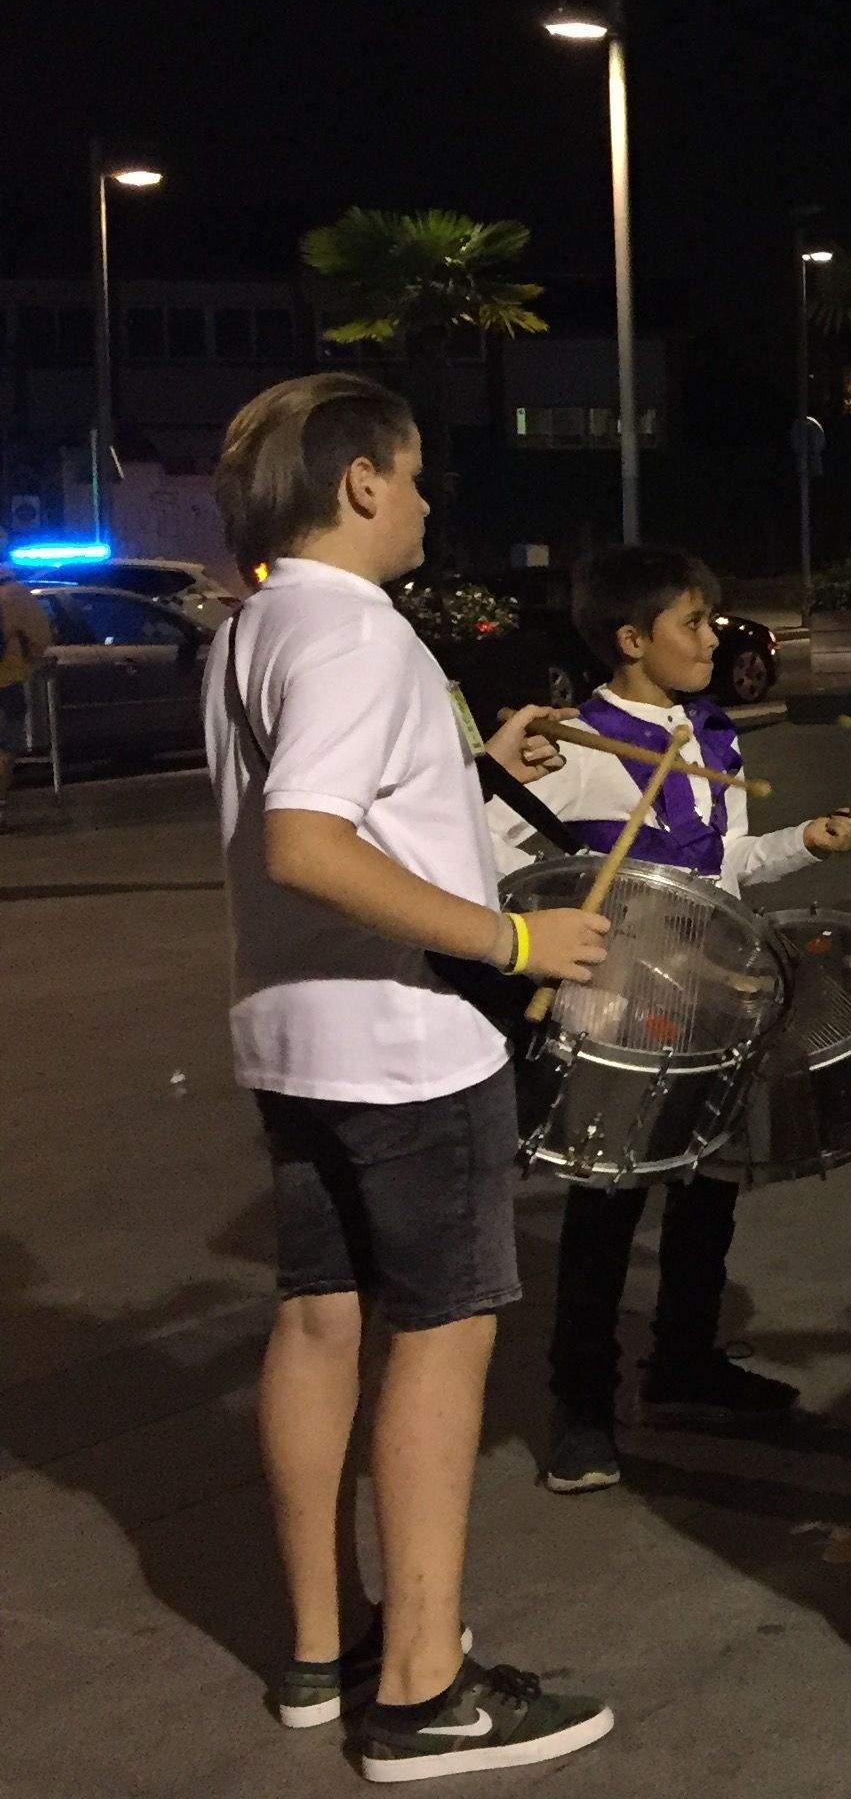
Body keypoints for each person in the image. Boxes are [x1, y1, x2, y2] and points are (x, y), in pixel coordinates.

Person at [203, 372, 617, 1782]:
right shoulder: (359, 631)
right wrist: (516, 935)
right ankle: (427, 1689)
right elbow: (308, 841)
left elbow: (343, 806)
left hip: (294, 1036)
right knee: (442, 1338)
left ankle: (326, 1654)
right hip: (403, 1048)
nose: (432, 500)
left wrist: (467, 764)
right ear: (363, 483)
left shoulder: (256, 625)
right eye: (420, 474)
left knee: (320, 1322)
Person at [484, 544, 851, 1497]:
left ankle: (685, 1365)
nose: (713, 639)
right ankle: (579, 1407)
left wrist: (804, 846)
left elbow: (723, 866)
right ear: (630, 639)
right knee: (609, 1203)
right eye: (692, 624)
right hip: (619, 1006)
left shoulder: (707, 734)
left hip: (709, 989)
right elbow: (486, 848)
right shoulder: (578, 743)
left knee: (711, 1185)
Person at [0, 567, 50, 831]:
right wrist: (28, 664)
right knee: (5, 750)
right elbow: (41, 637)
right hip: (5, 683)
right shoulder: (15, 593)